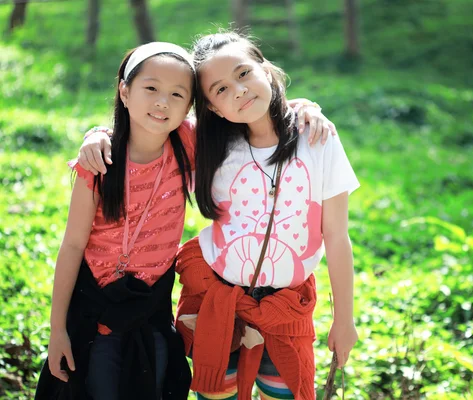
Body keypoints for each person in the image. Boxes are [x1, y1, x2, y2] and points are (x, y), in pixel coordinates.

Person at [175, 31, 359, 400]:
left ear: (266, 68)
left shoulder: (317, 138)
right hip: (218, 298)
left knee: (284, 392)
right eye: (221, 90)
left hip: (284, 306)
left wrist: (345, 319)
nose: (238, 91)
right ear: (212, 108)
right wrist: (98, 135)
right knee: (215, 393)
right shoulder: (210, 145)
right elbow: (145, 127)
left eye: (243, 74)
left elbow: (337, 237)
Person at [34, 42, 198, 400]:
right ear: (124, 91)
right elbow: (73, 244)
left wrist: (299, 107)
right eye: (150, 88)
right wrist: (57, 329)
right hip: (97, 306)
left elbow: (246, 117)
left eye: (177, 94)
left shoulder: (188, 142)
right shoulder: (98, 163)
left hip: (150, 306)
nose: (162, 102)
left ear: (189, 106)